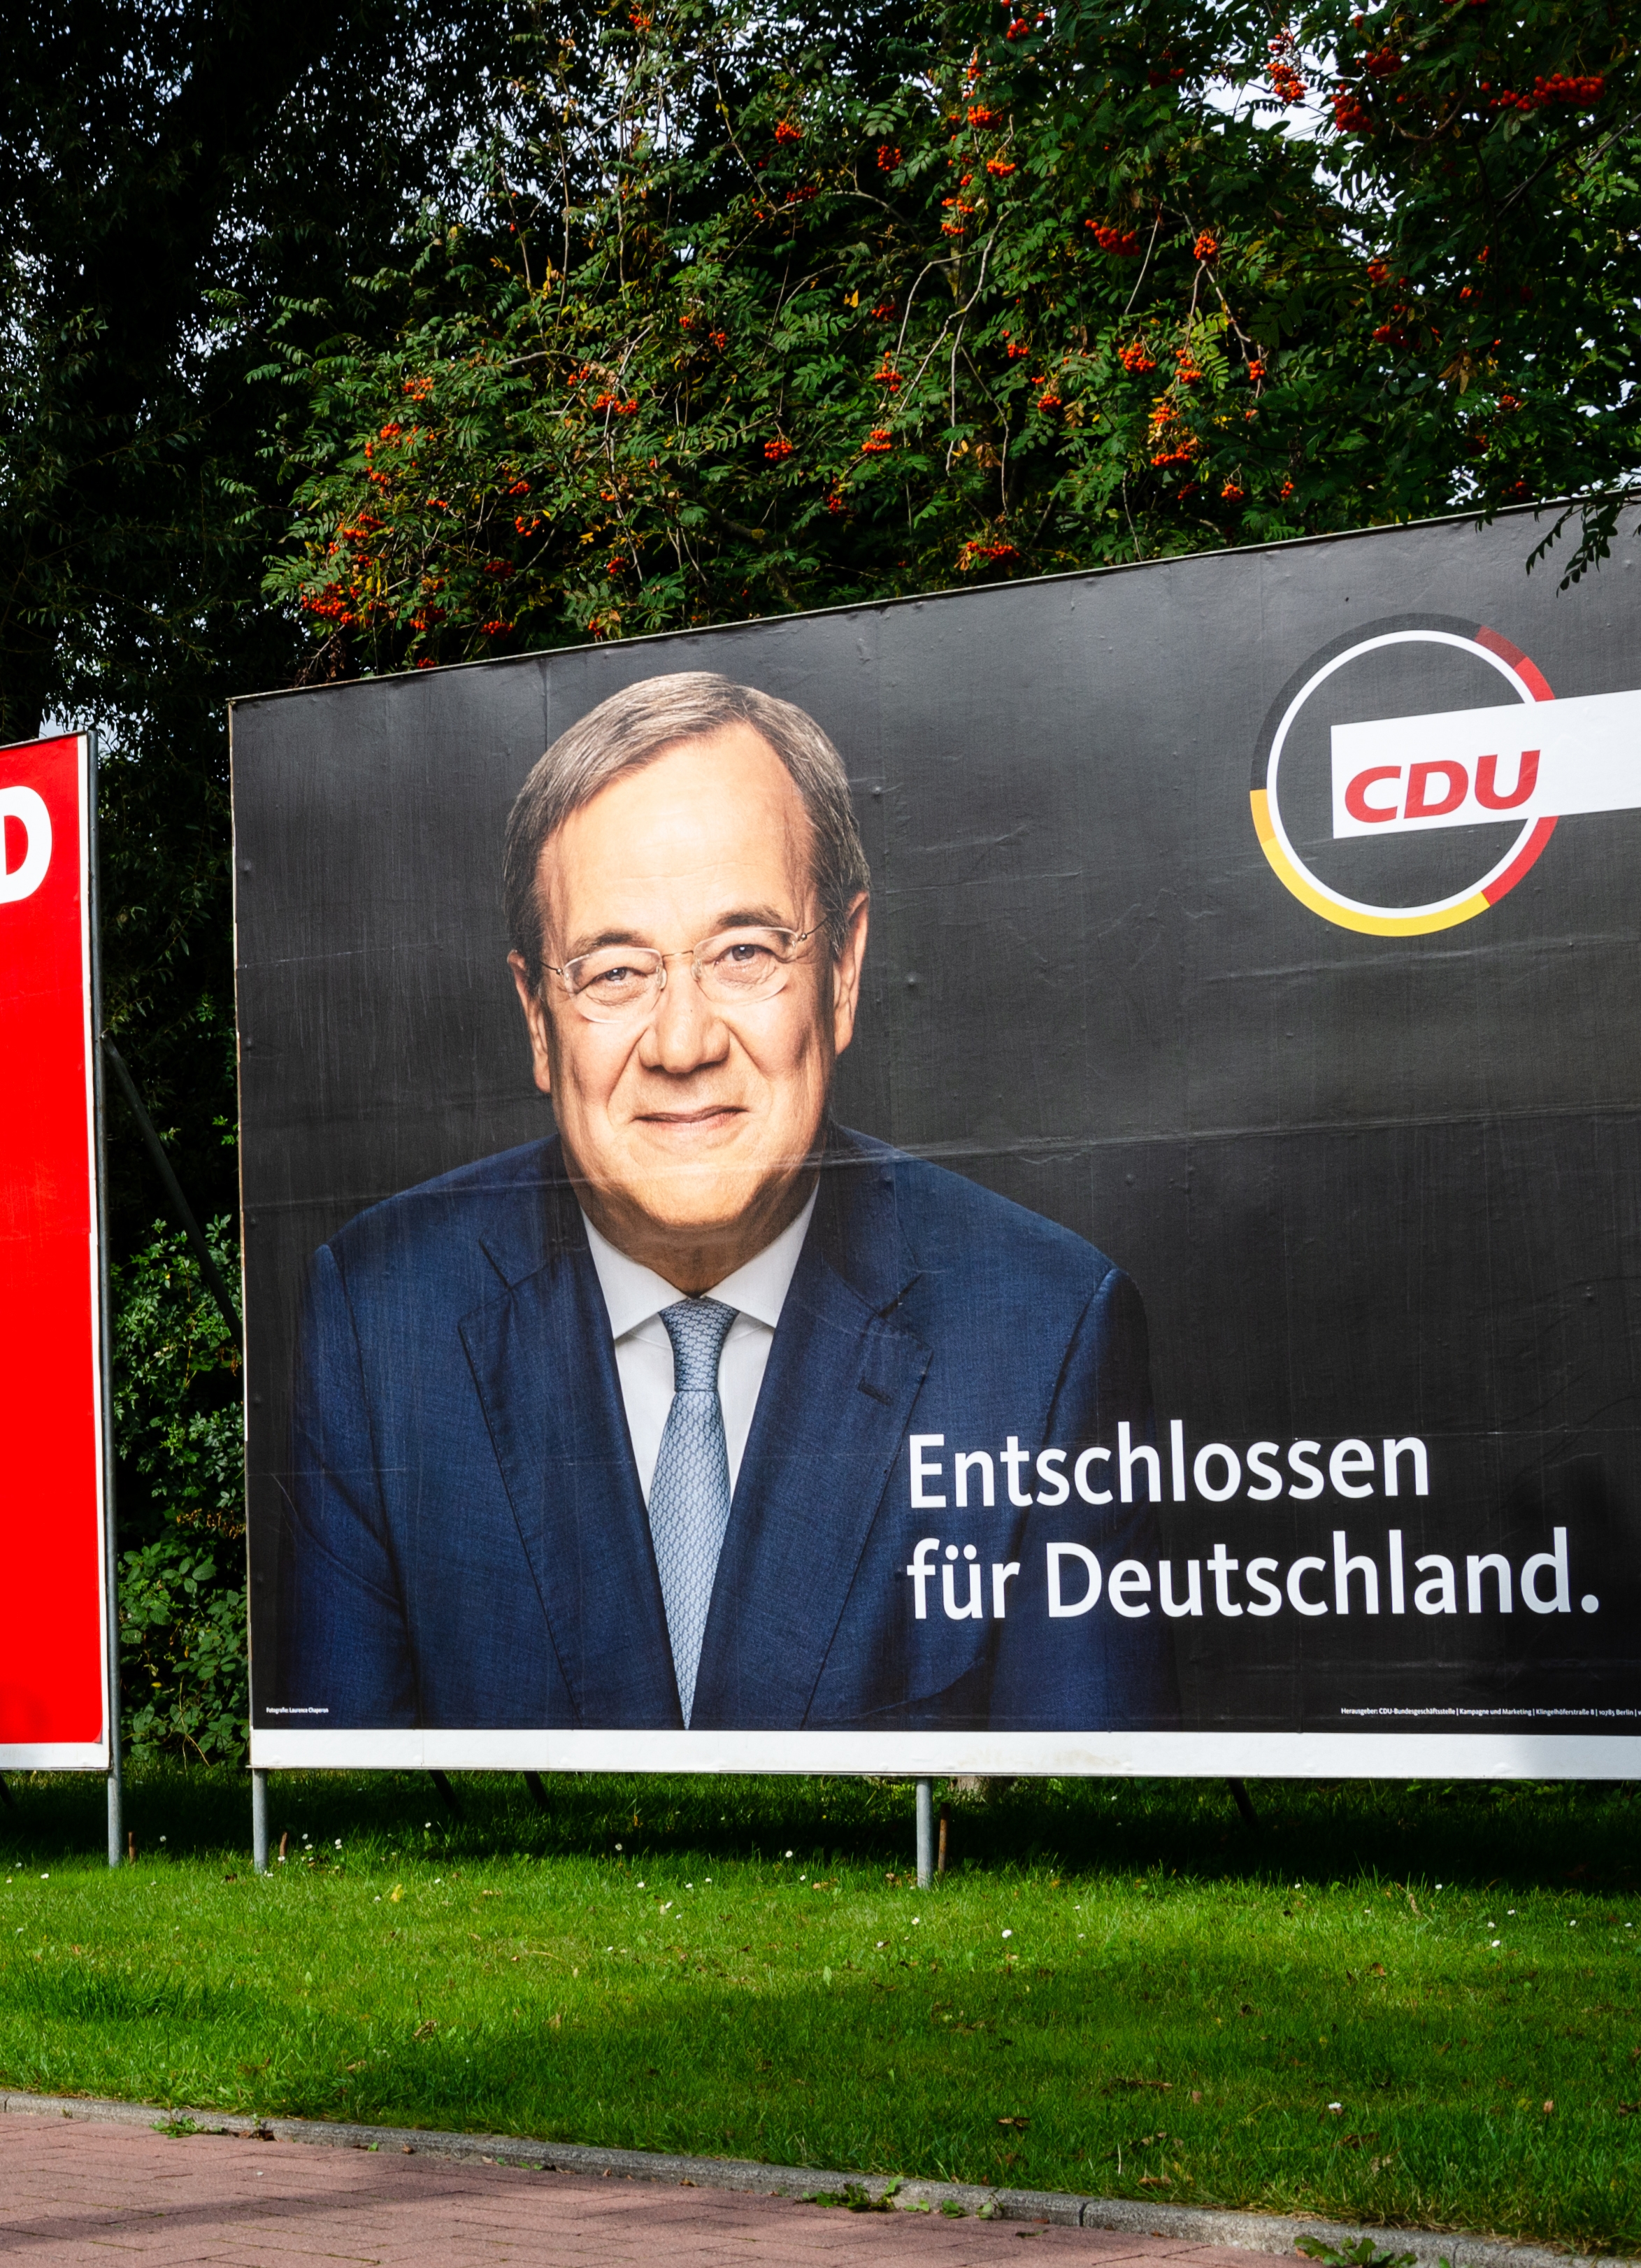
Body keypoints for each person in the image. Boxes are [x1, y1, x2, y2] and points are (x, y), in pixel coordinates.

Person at [280, 672, 1174, 1732]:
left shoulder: (1045, 1332)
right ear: (536, 1016)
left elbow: (1090, 1853)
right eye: (616, 972)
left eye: (744, 953)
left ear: (841, 971)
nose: (682, 1044)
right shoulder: (380, 1321)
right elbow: (342, 1836)